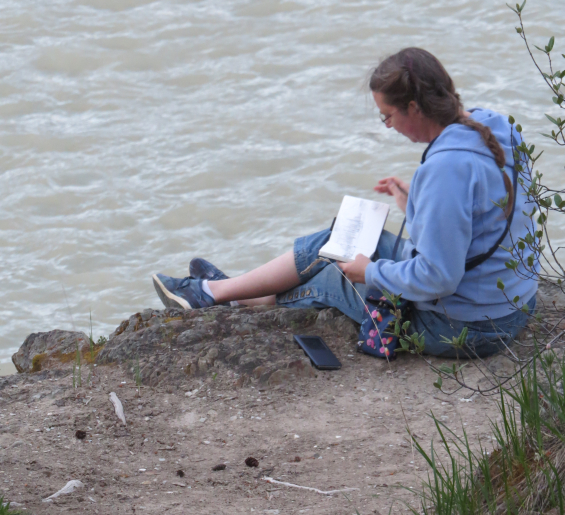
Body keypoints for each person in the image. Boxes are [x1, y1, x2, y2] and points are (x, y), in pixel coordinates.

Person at [152, 48, 537, 358]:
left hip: (464, 328)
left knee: (334, 274)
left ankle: (223, 294)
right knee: (337, 239)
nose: (390, 128)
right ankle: (234, 292)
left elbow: (440, 277)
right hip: (510, 304)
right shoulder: (493, 126)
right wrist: (413, 203)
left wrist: (370, 273)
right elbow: (477, 226)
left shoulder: (444, 169)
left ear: (414, 109)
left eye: (388, 117)